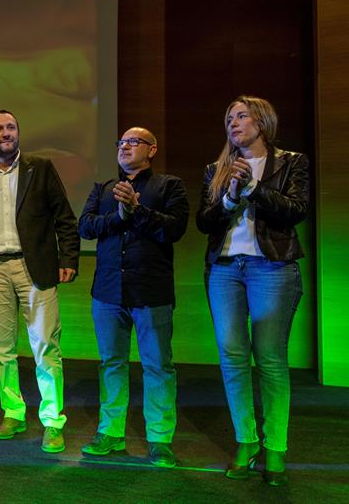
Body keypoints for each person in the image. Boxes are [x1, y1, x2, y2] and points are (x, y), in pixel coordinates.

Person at [196, 96, 308, 486]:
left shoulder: (291, 162)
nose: (233, 122)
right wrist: (229, 198)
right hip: (225, 269)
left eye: (241, 116)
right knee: (232, 356)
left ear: (261, 122)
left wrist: (254, 187)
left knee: (271, 359)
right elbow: (204, 223)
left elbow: (295, 210)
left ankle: (275, 446)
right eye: (228, 117)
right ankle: (246, 440)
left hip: (271, 267)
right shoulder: (215, 169)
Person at [0, 110, 79, 453]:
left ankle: (52, 420)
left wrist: (69, 258)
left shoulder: (39, 168)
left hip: (34, 268)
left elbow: (64, 217)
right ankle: (13, 413)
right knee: (2, 348)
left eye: (11, 127)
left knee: (45, 346)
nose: (6, 133)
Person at [79, 127, 188, 468]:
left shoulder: (169, 186)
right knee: (112, 363)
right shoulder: (104, 188)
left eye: (133, 142)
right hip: (108, 291)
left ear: (152, 149)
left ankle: (160, 439)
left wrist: (137, 210)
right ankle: (110, 432)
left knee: (158, 366)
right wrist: (119, 216)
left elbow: (174, 229)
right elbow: (85, 226)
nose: (124, 147)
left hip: (151, 292)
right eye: (121, 142)